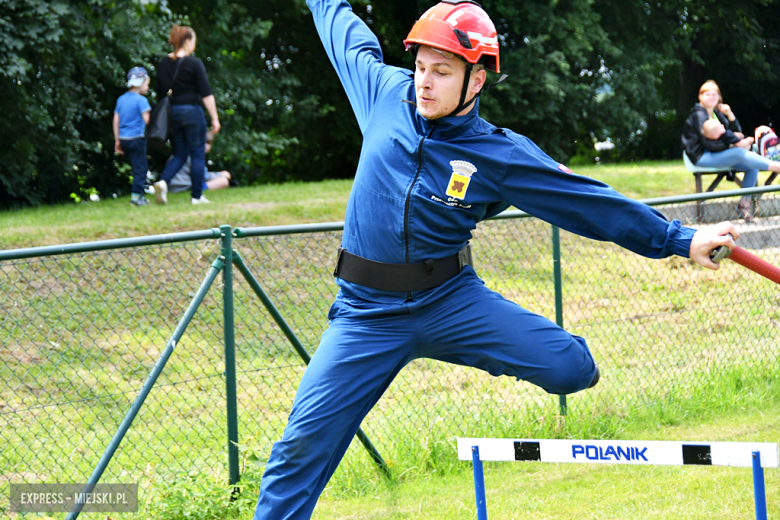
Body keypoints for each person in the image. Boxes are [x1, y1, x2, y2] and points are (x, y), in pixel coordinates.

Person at [253, 2, 740, 518]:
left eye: (442, 72)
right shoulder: (381, 92)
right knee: (297, 450)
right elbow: (340, 26)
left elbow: (589, 202)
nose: (424, 82)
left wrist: (679, 239)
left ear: (477, 79)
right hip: (365, 316)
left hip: (449, 302)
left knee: (572, 369)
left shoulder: (499, 155)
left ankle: (532, 349)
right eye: (421, 67)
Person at [682, 80, 780, 221]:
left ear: (719, 98)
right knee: (740, 153)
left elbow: (735, 132)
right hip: (702, 156)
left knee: (752, 165)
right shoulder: (699, 115)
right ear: (700, 97)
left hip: (718, 153)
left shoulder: (716, 114)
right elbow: (709, 144)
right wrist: (734, 145)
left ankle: (744, 204)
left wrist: (730, 114)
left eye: (714, 94)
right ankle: (776, 166)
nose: (711, 97)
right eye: (707, 94)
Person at [152, 24, 220, 206]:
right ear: (188, 41)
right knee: (197, 153)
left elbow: (160, 93)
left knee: (180, 153)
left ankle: (163, 181)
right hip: (191, 111)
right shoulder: (194, 63)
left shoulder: (164, 63)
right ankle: (197, 196)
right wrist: (214, 117)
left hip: (173, 113)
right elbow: (206, 93)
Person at [113, 67, 151, 206]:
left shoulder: (121, 99)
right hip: (137, 139)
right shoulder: (141, 100)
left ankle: (138, 195)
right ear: (141, 83)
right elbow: (147, 120)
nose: (147, 87)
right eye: (147, 84)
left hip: (124, 139)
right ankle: (136, 198)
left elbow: (116, 121)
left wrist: (117, 140)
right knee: (141, 168)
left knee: (136, 167)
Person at [166, 131, 232, 196]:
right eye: (203, 142)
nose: (205, 145)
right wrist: (220, 174)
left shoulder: (182, 152)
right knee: (223, 181)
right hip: (183, 188)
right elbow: (204, 176)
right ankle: (198, 191)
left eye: (208, 143)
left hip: (172, 187)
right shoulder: (194, 155)